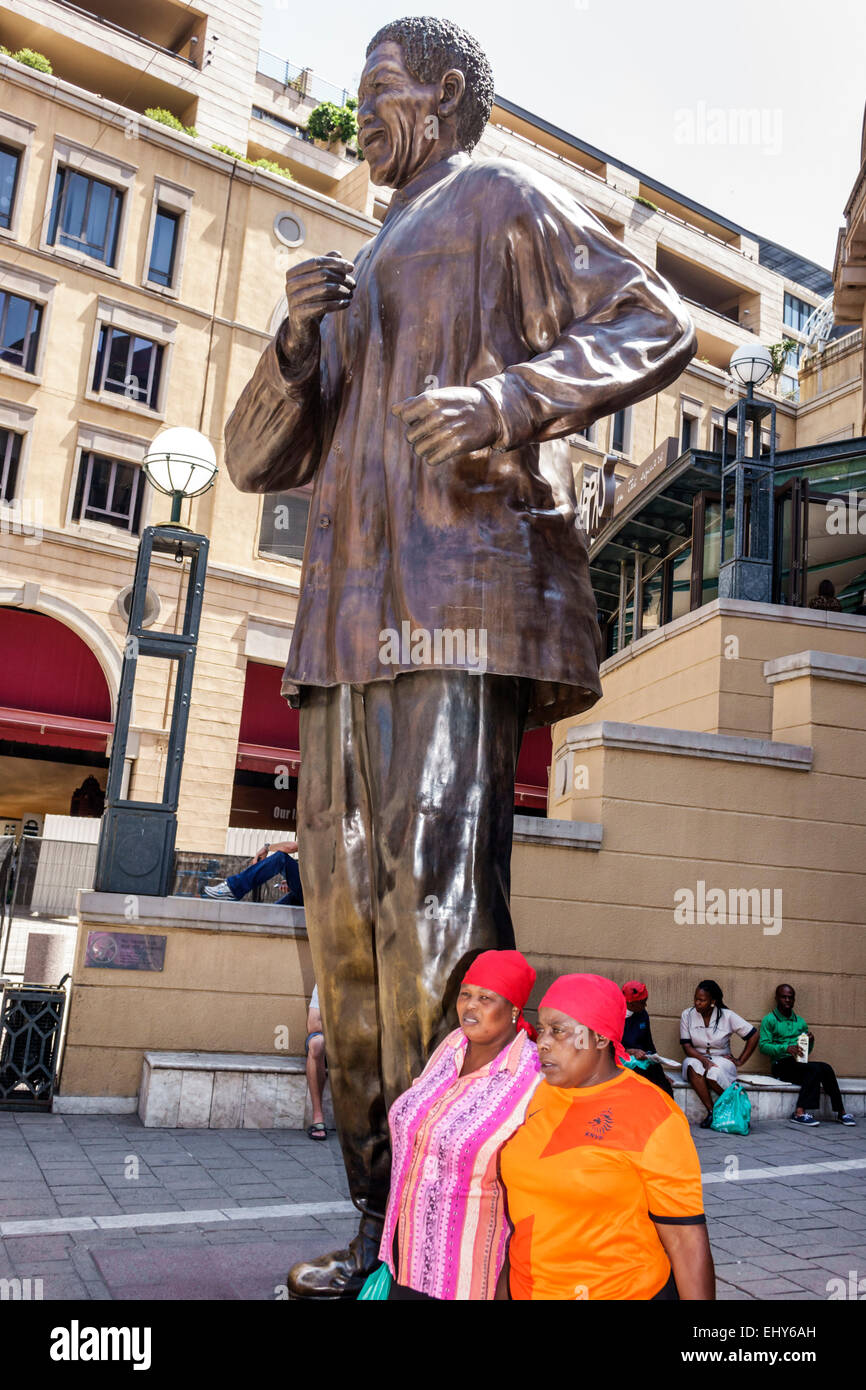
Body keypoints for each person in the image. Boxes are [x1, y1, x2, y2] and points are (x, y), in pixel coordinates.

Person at [224, 14, 695, 1298]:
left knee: (435, 924)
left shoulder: (494, 196)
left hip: (455, 605)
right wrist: (289, 346)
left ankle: (462, 1231)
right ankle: (388, 1231)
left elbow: (652, 322)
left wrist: (504, 401)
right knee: (345, 948)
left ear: (438, 96)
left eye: (375, 89)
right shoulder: (355, 262)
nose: (357, 111)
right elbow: (253, 458)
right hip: (338, 633)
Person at [498, 973, 714, 1300]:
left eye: (558, 1030)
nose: (542, 1041)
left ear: (600, 1039)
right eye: (541, 1028)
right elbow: (521, 1217)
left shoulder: (654, 1114)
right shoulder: (538, 1095)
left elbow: (686, 1241)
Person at [379, 950, 540, 1300]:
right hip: (402, 1251)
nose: (470, 1006)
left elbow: (535, 1190)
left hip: (465, 1274)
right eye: (466, 994)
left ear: (514, 1009)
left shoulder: (533, 1079)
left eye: (485, 998)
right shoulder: (452, 1044)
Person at [759, 983, 856, 1127]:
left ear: (794, 1000)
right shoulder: (769, 1020)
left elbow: (806, 1052)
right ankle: (799, 1113)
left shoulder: (800, 1022)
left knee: (826, 1068)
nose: (787, 1000)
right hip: (780, 1065)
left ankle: (841, 1112)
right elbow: (763, 1046)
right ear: (777, 998)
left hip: (799, 1063)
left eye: (790, 998)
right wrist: (786, 1048)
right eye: (783, 997)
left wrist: (810, 1042)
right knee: (814, 1070)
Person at [680, 980, 758, 1128]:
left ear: (712, 1001)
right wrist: (704, 1060)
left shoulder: (727, 1016)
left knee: (713, 1073)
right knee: (692, 1065)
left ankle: (735, 1105)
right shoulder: (687, 1015)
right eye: (696, 999)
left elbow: (753, 1035)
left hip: (722, 1058)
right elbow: (687, 1047)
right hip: (697, 1055)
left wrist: (740, 1061)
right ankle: (712, 1111)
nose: (697, 1003)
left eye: (702, 1000)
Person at [203, 839, 303, 906]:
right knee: (271, 916)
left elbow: (292, 847)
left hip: (314, 895)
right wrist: (291, 883)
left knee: (281, 858)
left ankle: (233, 889)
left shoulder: (317, 827)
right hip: (309, 894)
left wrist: (267, 848)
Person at [621, 980, 673, 1096]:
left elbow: (648, 1043)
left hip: (643, 1059)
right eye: (642, 1002)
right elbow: (610, 1045)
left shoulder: (642, 1014)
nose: (645, 1005)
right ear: (631, 1003)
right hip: (624, 1061)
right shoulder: (615, 1015)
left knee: (664, 1086)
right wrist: (631, 1051)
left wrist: (661, 1072)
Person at [305, 983, 329, 1140]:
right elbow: (313, 1025)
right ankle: (318, 1116)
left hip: (356, 1043)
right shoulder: (325, 980)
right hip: (331, 1039)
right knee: (316, 1044)